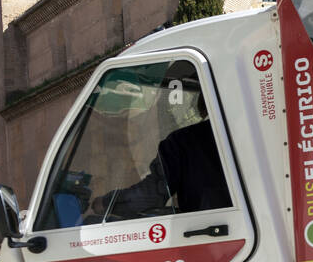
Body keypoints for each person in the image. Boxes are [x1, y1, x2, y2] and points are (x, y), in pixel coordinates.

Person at [94, 66, 230, 219]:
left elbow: (150, 195)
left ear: (202, 101)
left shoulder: (184, 141)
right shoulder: (248, 132)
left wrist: (105, 203)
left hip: (210, 229)